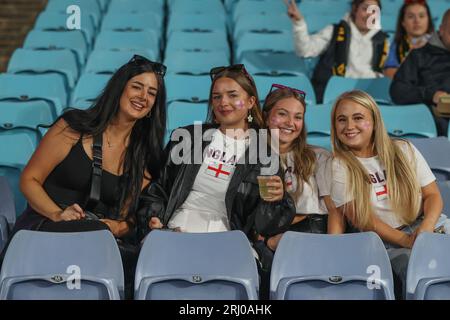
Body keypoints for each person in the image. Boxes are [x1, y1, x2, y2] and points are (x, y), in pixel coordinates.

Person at [3, 55, 167, 299]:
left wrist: (116, 227)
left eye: (152, 93)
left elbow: (127, 220)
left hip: (95, 240)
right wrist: (58, 214)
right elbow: (29, 180)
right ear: (119, 88)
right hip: (43, 228)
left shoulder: (144, 156)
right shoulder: (73, 126)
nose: (143, 97)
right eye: (136, 86)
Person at [137, 64, 296, 299]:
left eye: (233, 95)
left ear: (251, 102)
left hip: (229, 240)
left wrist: (278, 200)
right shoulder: (188, 137)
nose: (223, 102)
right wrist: (155, 219)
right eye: (216, 97)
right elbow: (158, 189)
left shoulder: (264, 153)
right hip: (177, 231)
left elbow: (266, 225)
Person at [328, 90, 448, 298]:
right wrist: (406, 240)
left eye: (358, 118)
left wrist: (426, 231)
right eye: (342, 120)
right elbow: (363, 219)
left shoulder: (404, 149)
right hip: (387, 242)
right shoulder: (338, 166)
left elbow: (433, 196)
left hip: (430, 226)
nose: (349, 126)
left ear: (374, 121)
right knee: (424, 270)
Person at [259, 84, 338, 248]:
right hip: (268, 239)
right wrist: (268, 241)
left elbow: (334, 211)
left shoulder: (319, 157)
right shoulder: (251, 159)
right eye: (282, 114)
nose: (290, 123)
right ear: (266, 117)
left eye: (298, 117)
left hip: (313, 234)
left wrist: (333, 248)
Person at [285, 0, 389, 103]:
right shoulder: (333, 32)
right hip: (335, 98)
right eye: (365, 9)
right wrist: (299, 23)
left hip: (369, 98)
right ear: (354, 9)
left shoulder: (383, 42)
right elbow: (304, 50)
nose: (369, 15)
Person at [390, 9, 450, 136]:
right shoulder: (419, 56)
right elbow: (397, 90)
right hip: (432, 126)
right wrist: (431, 94)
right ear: (442, 29)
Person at [384, 0, 435, 79]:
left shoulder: (440, 43)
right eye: (411, 17)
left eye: (421, 16)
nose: (417, 21)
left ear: (429, 20)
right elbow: (389, 73)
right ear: (403, 22)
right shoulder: (396, 46)